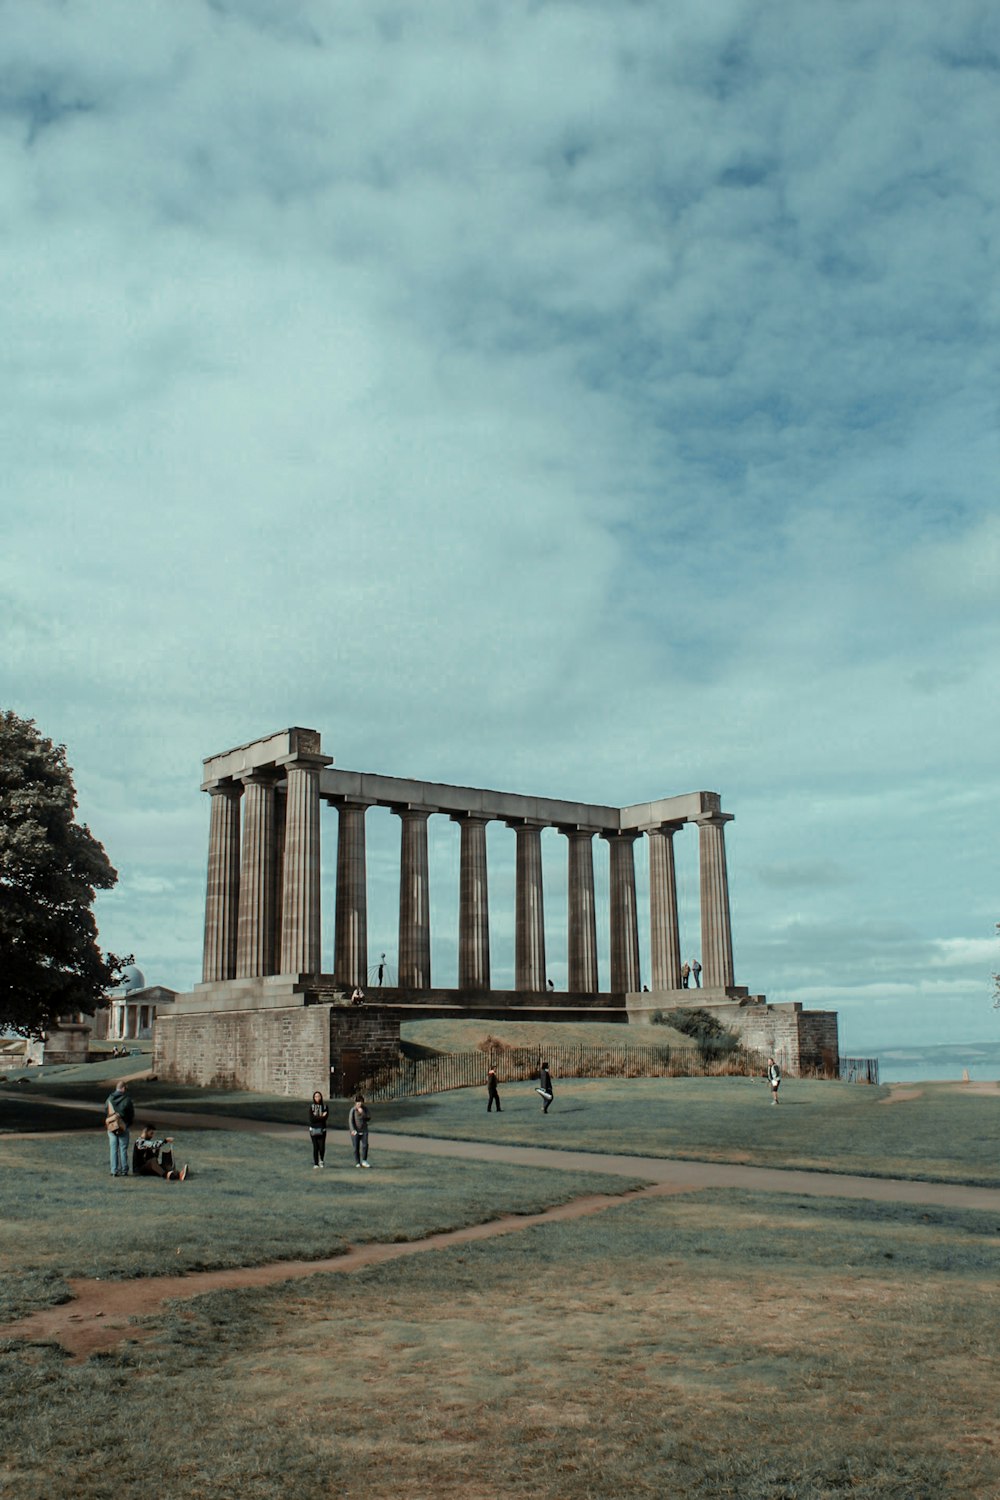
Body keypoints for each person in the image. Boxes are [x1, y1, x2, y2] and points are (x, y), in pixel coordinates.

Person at [104, 1079, 135, 1177]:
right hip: (123, 1126)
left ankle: (114, 1171)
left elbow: (106, 1110)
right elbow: (131, 1114)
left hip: (112, 1127)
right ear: (123, 1088)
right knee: (123, 1149)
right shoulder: (127, 1100)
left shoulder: (109, 1099)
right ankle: (124, 1170)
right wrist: (127, 1123)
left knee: (113, 1149)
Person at [349, 1094, 371, 1167]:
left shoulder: (365, 1109)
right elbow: (350, 1121)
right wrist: (353, 1130)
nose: (359, 1104)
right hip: (355, 1131)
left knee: (365, 1145)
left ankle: (364, 1160)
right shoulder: (353, 1110)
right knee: (356, 1147)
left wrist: (362, 1113)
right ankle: (357, 1162)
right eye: (358, 1102)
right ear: (355, 1103)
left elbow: (368, 1118)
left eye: (360, 1102)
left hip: (364, 1130)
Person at [309, 1090, 329, 1168]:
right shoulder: (311, 1107)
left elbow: (325, 1118)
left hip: (322, 1129)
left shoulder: (325, 1107)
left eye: (319, 1096)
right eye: (316, 1096)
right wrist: (321, 1116)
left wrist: (317, 1116)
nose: (317, 1098)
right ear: (314, 1098)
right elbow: (311, 1119)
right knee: (315, 1147)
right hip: (313, 1129)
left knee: (321, 1147)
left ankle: (321, 1160)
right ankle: (316, 1163)